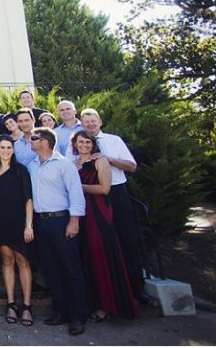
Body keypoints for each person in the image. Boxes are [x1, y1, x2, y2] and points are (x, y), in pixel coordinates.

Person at [77, 108, 145, 304]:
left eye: (93, 120)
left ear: (100, 122)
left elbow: (132, 166)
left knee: (127, 239)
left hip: (116, 192)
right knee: (98, 244)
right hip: (90, 198)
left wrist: (108, 158)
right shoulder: (78, 143)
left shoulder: (114, 140)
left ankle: (136, 289)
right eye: (86, 121)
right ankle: (102, 291)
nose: (90, 124)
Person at [72, 130, 138, 321]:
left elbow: (104, 188)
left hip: (98, 211)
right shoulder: (73, 163)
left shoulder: (101, 161)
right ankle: (91, 302)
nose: (84, 145)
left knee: (100, 254)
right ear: (75, 144)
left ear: (93, 144)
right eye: (81, 142)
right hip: (80, 211)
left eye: (88, 142)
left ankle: (107, 305)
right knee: (86, 257)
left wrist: (78, 186)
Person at [27, 127, 87, 336]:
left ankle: (78, 316)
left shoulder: (64, 164)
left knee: (70, 268)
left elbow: (76, 193)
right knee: (50, 268)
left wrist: (74, 221)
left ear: (45, 142)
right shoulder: (32, 165)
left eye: (34, 138)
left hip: (61, 221)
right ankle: (60, 310)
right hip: (41, 222)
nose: (31, 141)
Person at [0, 135, 35, 327]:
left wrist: (28, 225)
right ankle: (11, 304)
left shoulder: (21, 170)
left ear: (13, 150)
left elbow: (28, 199)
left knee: (23, 261)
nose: (6, 151)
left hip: (19, 222)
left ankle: (27, 306)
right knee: (7, 261)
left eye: (9, 147)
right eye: (3, 147)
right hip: (0, 222)